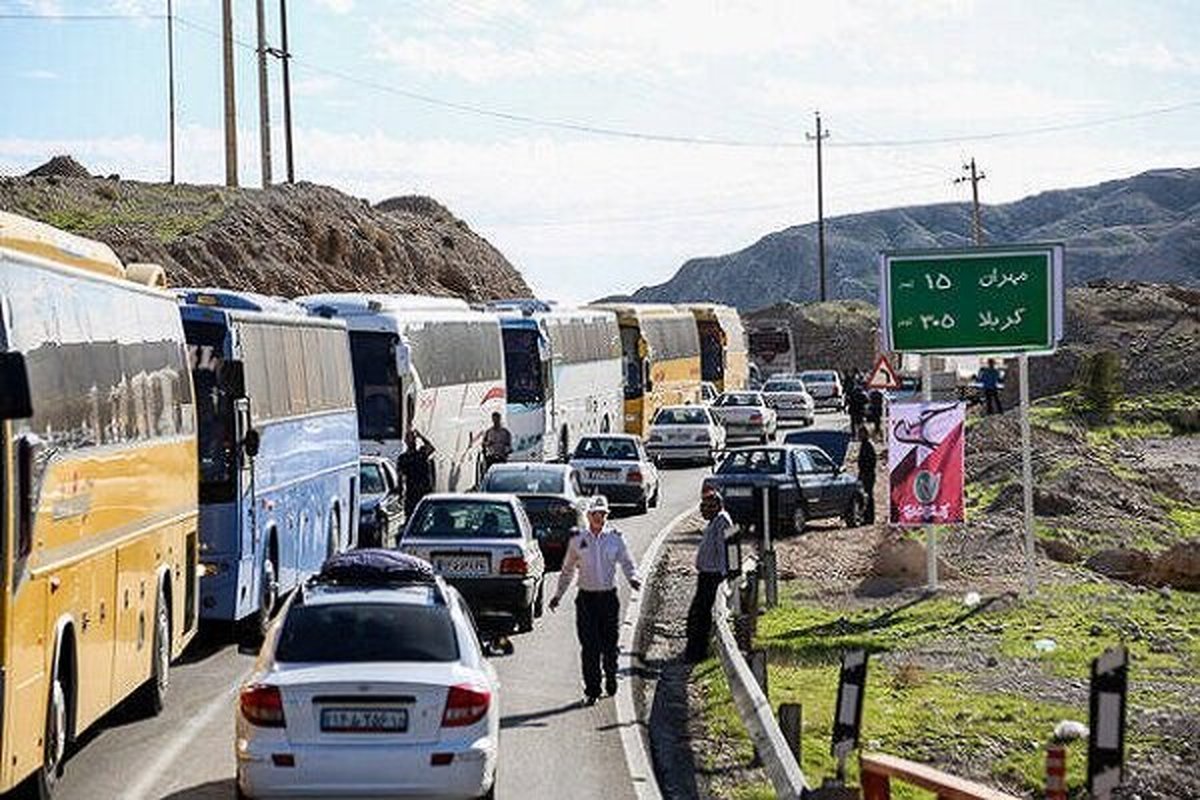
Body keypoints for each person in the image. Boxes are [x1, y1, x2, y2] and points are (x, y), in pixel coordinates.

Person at [549, 495, 641, 704]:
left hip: (608, 599)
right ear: (589, 516)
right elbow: (567, 570)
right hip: (586, 600)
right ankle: (592, 689)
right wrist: (558, 595)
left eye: (603, 514)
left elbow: (627, 562)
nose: (600, 517)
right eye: (596, 514)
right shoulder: (577, 540)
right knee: (589, 646)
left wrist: (634, 578)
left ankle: (610, 675)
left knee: (609, 644)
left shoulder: (615, 538)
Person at [685, 490, 732, 663]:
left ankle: (696, 654)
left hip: (713, 577)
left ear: (718, 507)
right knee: (697, 615)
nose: (703, 510)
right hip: (706, 575)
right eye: (703, 506)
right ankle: (694, 652)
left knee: (700, 616)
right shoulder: (715, 521)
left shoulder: (721, 521)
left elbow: (723, 550)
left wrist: (723, 577)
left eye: (708, 506)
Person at [396, 428, 435, 517]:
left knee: (424, 515)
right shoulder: (403, 458)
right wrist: (400, 493)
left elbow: (431, 448)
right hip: (412, 492)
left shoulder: (421, 453)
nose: (411, 441)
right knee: (411, 516)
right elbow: (400, 477)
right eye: (409, 439)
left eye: (413, 439)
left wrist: (421, 436)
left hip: (423, 491)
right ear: (406, 442)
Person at [856, 425, 877, 524]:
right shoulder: (864, 445)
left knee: (868, 495)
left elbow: (871, 461)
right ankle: (866, 517)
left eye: (860, 433)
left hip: (868, 474)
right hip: (865, 473)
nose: (858, 435)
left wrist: (865, 472)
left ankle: (869, 518)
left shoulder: (868, 445)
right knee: (865, 496)